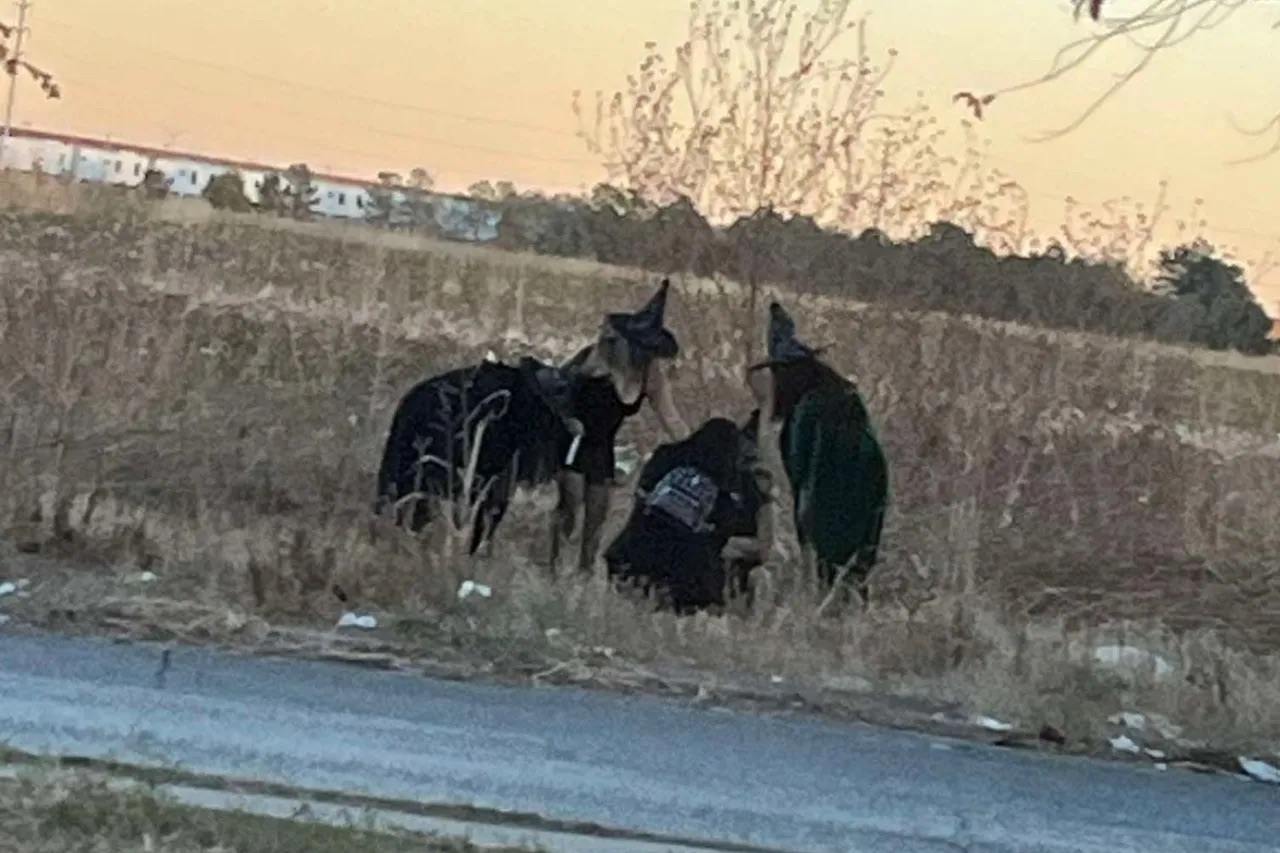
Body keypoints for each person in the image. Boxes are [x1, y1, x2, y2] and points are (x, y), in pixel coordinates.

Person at [746, 302, 890, 604]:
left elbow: (794, 474)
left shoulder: (808, 411)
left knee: (829, 576)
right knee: (854, 575)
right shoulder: (845, 397)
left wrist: (766, 410)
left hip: (830, 500)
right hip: (869, 492)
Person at [551, 279, 691, 573]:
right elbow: (556, 390)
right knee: (570, 508)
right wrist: (567, 419)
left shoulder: (650, 376)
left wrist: (692, 448)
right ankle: (554, 565)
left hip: (602, 448)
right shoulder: (596, 359)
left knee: (597, 516)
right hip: (572, 441)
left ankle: (584, 572)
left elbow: (671, 418)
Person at [603, 416, 773, 614]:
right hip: (686, 565)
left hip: (633, 546)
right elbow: (723, 531)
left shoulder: (667, 455)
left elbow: (641, 494)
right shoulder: (730, 481)